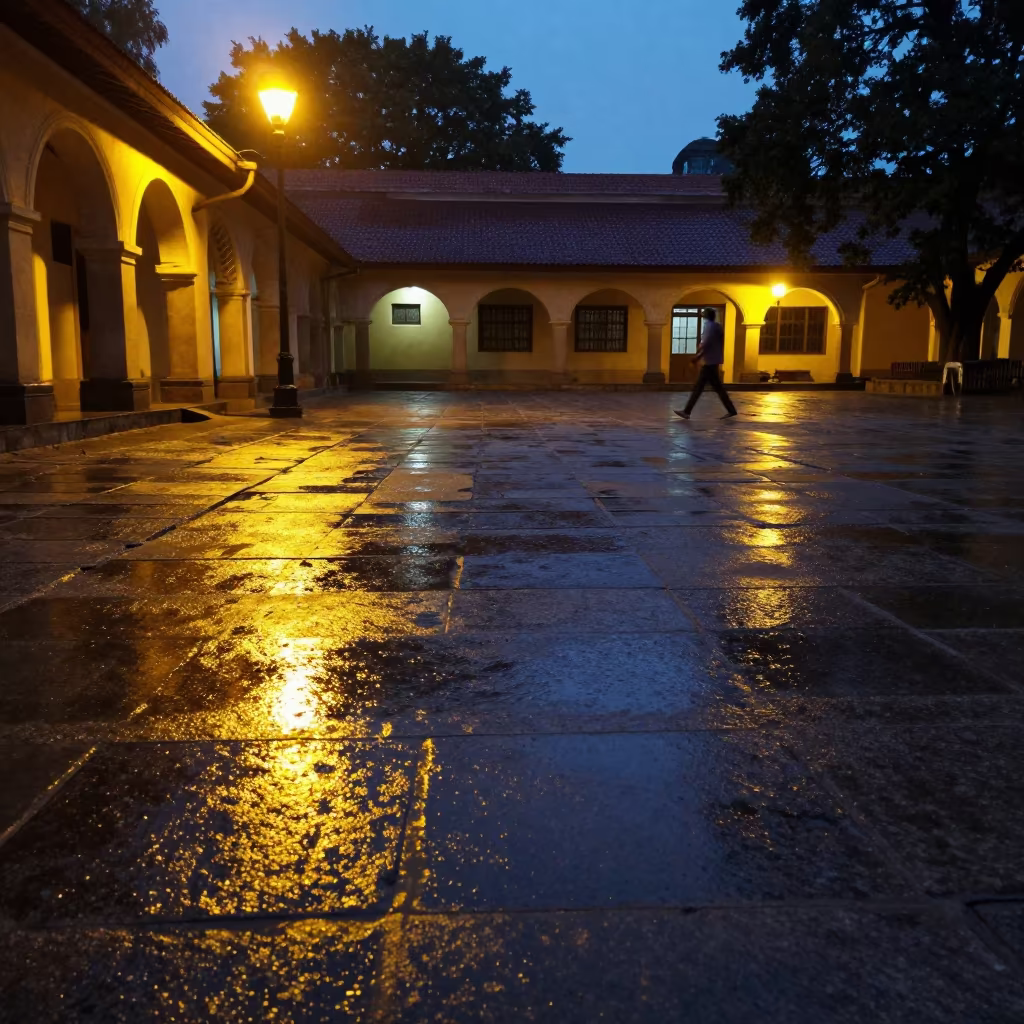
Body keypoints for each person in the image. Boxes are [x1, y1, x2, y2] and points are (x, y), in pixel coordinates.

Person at [675, 308, 737, 419]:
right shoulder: (717, 326)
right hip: (714, 360)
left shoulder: (709, 326)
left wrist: (698, 356)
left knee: (699, 387)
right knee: (716, 388)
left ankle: (687, 411)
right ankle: (731, 410)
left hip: (710, 362)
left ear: (706, 316)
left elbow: (706, 343)